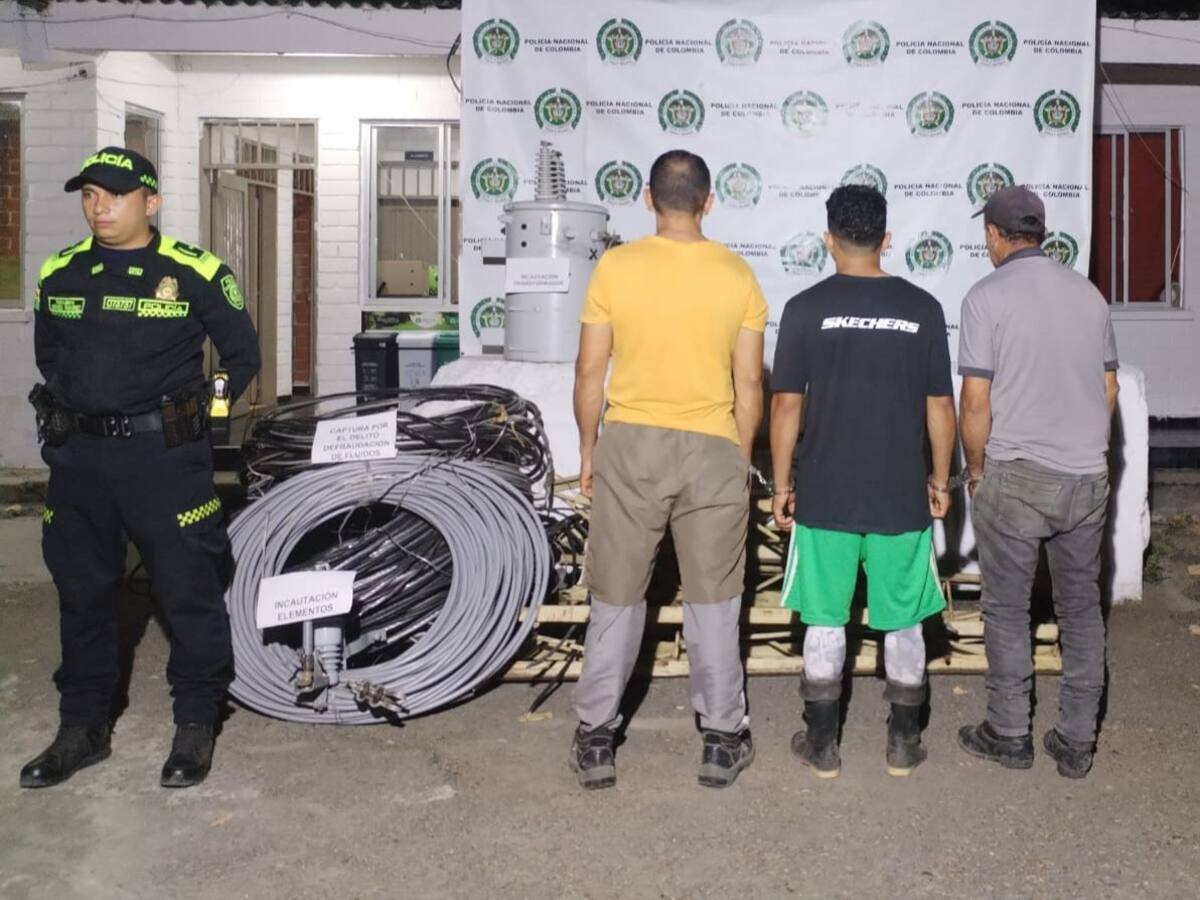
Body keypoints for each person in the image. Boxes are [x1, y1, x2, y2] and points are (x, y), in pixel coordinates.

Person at [20, 146, 260, 790]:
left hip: (164, 462)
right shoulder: (61, 272)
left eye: (115, 196)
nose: (100, 208)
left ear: (150, 202)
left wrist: (200, 420)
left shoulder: (195, 271)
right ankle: (82, 727)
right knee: (83, 594)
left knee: (187, 592)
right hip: (81, 461)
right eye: (90, 196)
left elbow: (242, 356)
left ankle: (196, 720)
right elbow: (51, 356)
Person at [571, 149, 766, 790]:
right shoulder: (738, 276)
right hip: (712, 444)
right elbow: (748, 385)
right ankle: (720, 739)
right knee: (715, 599)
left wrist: (587, 450)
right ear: (708, 201)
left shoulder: (615, 268)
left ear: (649, 201)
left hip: (630, 443)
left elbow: (589, 373)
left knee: (617, 595)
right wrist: (738, 455)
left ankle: (596, 738)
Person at [770, 185, 956, 779]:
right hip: (900, 493)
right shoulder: (923, 307)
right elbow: (940, 408)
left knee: (825, 617)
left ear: (829, 239)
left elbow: (785, 410)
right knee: (903, 618)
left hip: (825, 494)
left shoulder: (803, 308)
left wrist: (780, 485)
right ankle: (903, 746)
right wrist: (941, 479)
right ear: (887, 238)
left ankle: (822, 746)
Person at [955, 185, 1119, 779]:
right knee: (1081, 609)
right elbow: (1108, 389)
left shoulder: (985, 297)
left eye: (988, 234)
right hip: (1085, 474)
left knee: (1006, 608)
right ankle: (1076, 743)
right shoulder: (1089, 295)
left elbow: (975, 400)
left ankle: (1009, 731)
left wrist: (976, 471)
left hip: (1015, 475)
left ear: (997, 236)